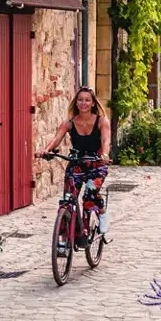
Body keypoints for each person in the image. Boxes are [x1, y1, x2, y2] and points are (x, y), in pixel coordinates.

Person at [43, 87, 113, 249]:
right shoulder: (69, 123)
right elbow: (56, 139)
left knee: (90, 194)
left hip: (96, 164)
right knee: (67, 200)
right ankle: (64, 239)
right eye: (80, 100)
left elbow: (105, 142)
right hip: (76, 164)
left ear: (93, 103)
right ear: (76, 102)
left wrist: (105, 154)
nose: (83, 103)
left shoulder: (102, 121)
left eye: (87, 100)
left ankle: (102, 213)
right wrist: (45, 150)